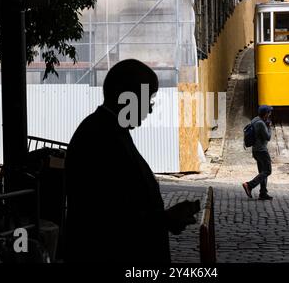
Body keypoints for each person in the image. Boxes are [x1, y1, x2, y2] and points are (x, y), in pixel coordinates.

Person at [65, 59, 200, 263]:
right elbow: (108, 219)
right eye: (148, 99)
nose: (150, 109)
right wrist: (165, 219)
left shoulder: (109, 131)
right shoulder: (101, 137)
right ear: (125, 96)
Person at [242, 105, 274, 201]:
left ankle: (263, 193)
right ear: (266, 114)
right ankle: (249, 185)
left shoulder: (255, 119)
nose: (270, 114)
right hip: (262, 151)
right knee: (267, 171)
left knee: (262, 172)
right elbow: (268, 137)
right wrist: (269, 127)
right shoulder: (261, 123)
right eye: (269, 112)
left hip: (256, 150)